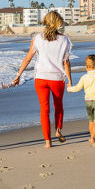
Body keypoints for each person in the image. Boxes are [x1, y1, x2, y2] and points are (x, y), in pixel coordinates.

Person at [15, 11, 73, 148]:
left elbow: (28, 57)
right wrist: (70, 81)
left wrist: (18, 75)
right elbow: (66, 63)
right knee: (58, 106)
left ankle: (48, 142)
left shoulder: (37, 38)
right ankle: (58, 130)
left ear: (45, 22)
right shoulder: (64, 40)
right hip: (57, 79)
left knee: (44, 109)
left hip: (40, 78)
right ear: (58, 22)